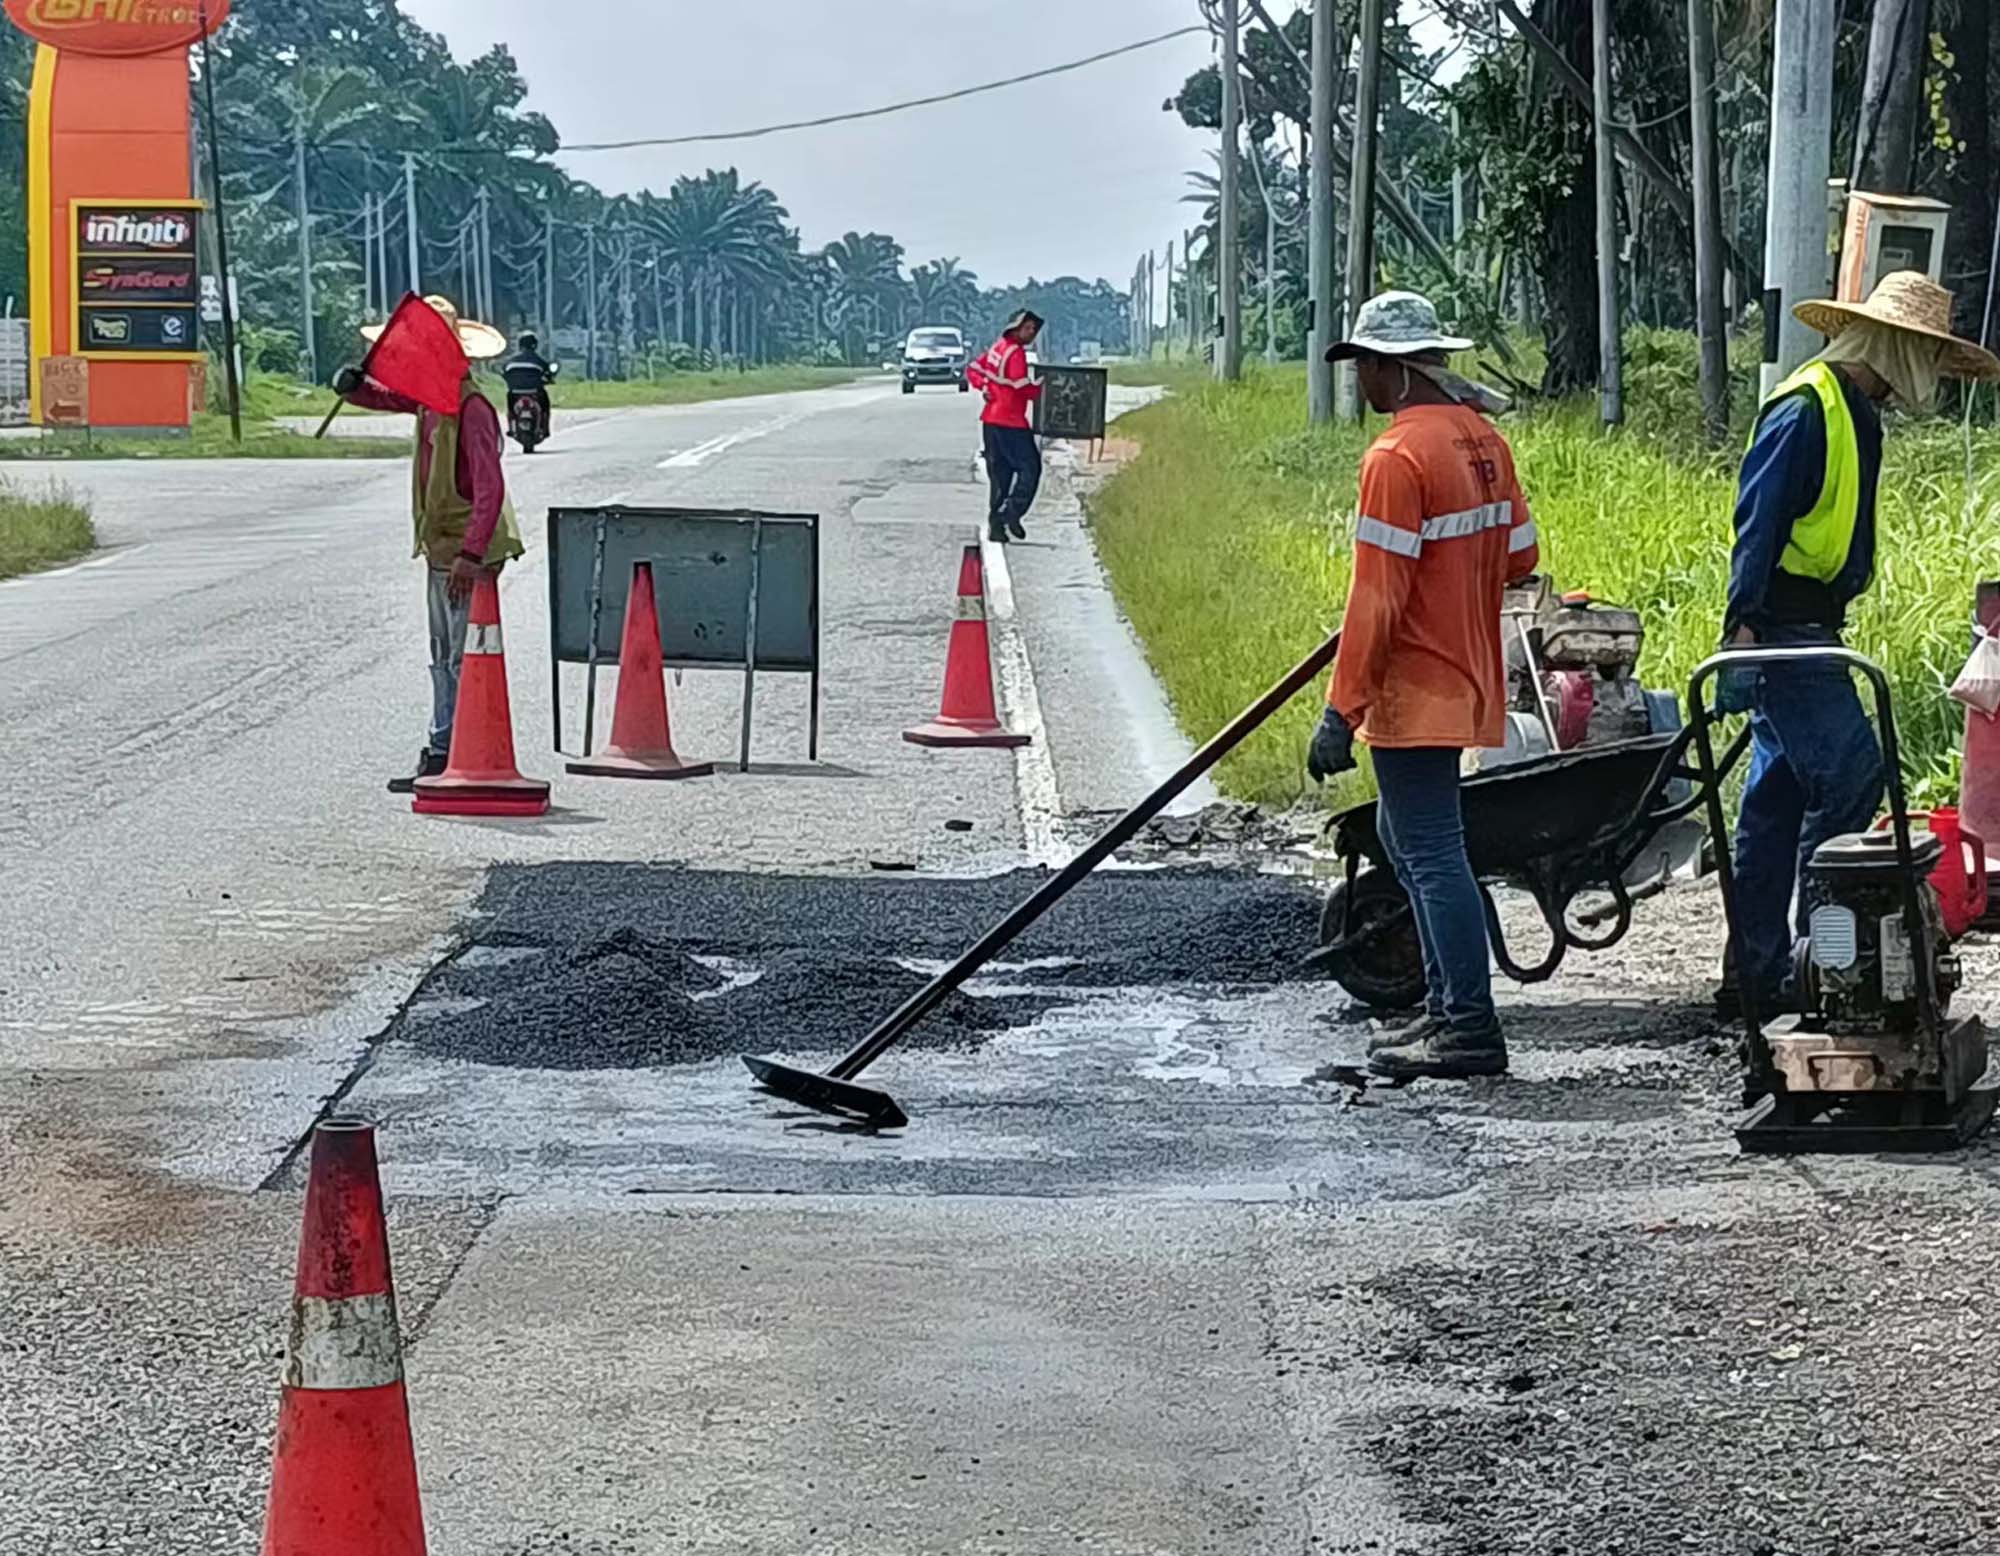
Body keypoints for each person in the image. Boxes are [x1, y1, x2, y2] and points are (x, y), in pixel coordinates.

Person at [1718, 270, 1998, 1012]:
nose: (1929, 375)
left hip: (1810, 624)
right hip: (1783, 626)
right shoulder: (1807, 411)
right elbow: (1760, 521)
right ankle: (1829, 962)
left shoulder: (1854, 411)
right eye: (1925, 357)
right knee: (1849, 777)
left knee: (1776, 803)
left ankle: (1755, 970)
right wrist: (1742, 623)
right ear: (1892, 346)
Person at [1305, 290, 1538, 1080]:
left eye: (1365, 366)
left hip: (1417, 688)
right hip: (1467, 674)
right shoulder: (1484, 442)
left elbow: (1376, 600)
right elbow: (1521, 557)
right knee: (1415, 844)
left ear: (1395, 370)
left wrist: (1342, 711)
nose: (1361, 383)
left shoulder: (1397, 458)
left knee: (1433, 854)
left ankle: (1468, 1028)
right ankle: (1444, 1012)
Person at [331, 295, 525, 794]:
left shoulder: (472, 408)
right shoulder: (432, 400)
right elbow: (388, 397)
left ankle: (457, 751)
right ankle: (442, 748)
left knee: (463, 657)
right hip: (441, 550)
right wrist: (355, 389)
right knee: (442, 656)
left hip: (466, 556)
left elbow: (489, 490)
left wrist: (470, 555)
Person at [966, 309, 1044, 542]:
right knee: (1030, 468)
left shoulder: (997, 348)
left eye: (1034, 330)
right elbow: (1022, 388)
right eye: (1028, 328)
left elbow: (973, 370)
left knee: (1000, 476)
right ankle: (1010, 512)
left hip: (991, 421)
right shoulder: (1016, 354)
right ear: (1017, 327)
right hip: (1011, 422)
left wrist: (985, 387)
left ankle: (996, 527)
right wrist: (1040, 387)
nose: (1031, 333)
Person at [500, 331, 558, 437]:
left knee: (510, 409)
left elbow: (504, 372)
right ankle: (545, 428)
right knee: (545, 406)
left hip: (514, 391)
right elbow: (548, 372)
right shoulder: (538, 360)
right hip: (534, 390)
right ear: (535, 345)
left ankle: (511, 427)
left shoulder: (511, 361)